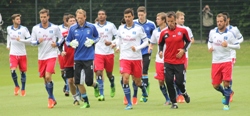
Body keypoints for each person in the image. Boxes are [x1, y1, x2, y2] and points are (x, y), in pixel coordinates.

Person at [112, 8, 148, 110]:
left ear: (133, 17)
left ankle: (143, 88)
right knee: (125, 79)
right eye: (126, 17)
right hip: (124, 58)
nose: (127, 19)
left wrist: (137, 48)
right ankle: (129, 103)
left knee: (137, 81)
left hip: (136, 58)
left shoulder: (138, 28)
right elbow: (119, 40)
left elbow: (146, 42)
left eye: (129, 17)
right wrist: (114, 44)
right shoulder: (121, 28)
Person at [65, 9, 100, 108]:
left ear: (85, 17)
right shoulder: (72, 28)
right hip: (77, 58)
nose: (79, 20)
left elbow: (98, 37)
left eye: (81, 18)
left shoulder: (91, 27)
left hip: (88, 57)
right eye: (78, 18)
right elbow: (67, 41)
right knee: (78, 82)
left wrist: (93, 41)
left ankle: (96, 86)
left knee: (89, 82)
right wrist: (71, 44)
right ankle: (86, 102)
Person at [30, 8, 64, 109]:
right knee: (45, 79)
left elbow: (62, 38)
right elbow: (31, 42)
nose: (43, 19)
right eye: (41, 17)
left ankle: (50, 99)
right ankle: (53, 98)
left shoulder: (55, 27)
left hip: (52, 55)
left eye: (45, 17)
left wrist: (57, 44)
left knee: (48, 76)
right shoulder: (35, 28)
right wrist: (37, 42)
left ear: (48, 17)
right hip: (41, 57)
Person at [158, 11, 191, 109]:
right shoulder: (164, 32)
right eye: (168, 21)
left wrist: (183, 50)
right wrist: (160, 51)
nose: (170, 23)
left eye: (172, 21)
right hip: (168, 61)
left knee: (179, 82)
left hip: (179, 61)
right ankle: (174, 102)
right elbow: (160, 43)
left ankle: (184, 93)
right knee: (168, 82)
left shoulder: (183, 31)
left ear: (175, 20)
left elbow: (188, 41)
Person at [207, 13, 240, 110]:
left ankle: (226, 104)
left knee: (226, 82)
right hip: (215, 62)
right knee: (215, 85)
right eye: (217, 21)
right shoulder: (212, 32)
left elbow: (238, 46)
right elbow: (210, 41)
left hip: (226, 61)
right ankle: (225, 93)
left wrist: (228, 45)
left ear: (226, 22)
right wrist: (210, 47)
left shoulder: (230, 34)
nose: (219, 23)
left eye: (221, 21)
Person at [132, 6, 156, 104]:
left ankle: (144, 95)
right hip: (136, 52)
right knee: (135, 74)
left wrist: (151, 45)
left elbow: (154, 36)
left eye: (142, 15)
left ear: (145, 14)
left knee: (144, 71)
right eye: (139, 15)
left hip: (146, 51)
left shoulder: (151, 24)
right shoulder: (134, 23)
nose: (140, 17)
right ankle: (134, 95)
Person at [93, 10, 117, 101]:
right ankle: (101, 94)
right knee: (99, 72)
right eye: (99, 14)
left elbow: (118, 37)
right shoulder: (94, 26)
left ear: (106, 16)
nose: (101, 16)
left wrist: (112, 43)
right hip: (98, 53)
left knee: (109, 74)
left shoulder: (111, 25)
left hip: (109, 53)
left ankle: (112, 84)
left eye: (103, 14)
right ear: (98, 16)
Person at [148, 12, 171, 105]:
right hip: (159, 60)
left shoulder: (169, 30)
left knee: (170, 80)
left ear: (164, 20)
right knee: (161, 81)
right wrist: (150, 48)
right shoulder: (155, 31)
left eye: (158, 19)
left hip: (170, 59)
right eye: (156, 18)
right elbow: (152, 42)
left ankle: (175, 95)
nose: (156, 20)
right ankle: (167, 99)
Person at [6, 14, 31, 96]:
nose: (19, 20)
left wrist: (21, 40)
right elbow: (8, 36)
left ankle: (23, 89)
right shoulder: (9, 28)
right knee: (13, 70)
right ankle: (16, 86)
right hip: (13, 53)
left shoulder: (24, 29)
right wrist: (8, 45)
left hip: (22, 54)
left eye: (19, 19)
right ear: (13, 20)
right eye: (17, 19)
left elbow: (30, 39)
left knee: (23, 72)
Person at [221, 12, 243, 102]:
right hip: (221, 56)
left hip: (231, 55)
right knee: (223, 77)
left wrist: (233, 43)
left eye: (223, 20)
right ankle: (228, 92)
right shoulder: (218, 31)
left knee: (228, 75)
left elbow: (241, 38)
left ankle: (229, 94)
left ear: (228, 20)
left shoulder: (234, 29)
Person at [59, 14, 81, 105]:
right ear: (66, 23)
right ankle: (75, 98)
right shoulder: (64, 34)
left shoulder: (80, 32)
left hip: (78, 59)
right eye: (70, 21)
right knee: (70, 81)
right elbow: (59, 44)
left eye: (73, 21)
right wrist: (61, 52)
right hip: (68, 60)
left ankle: (81, 96)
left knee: (77, 80)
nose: (72, 22)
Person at [175, 10, 194, 103]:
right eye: (181, 18)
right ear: (176, 19)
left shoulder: (186, 29)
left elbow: (191, 40)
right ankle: (176, 94)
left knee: (182, 75)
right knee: (173, 76)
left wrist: (184, 49)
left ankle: (181, 95)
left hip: (184, 56)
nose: (183, 20)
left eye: (183, 18)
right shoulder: (171, 28)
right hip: (173, 56)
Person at [58, 13, 70, 96]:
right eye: (65, 19)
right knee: (63, 72)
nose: (67, 21)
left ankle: (68, 87)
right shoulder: (59, 28)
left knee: (69, 71)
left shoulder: (73, 28)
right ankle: (66, 83)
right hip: (61, 53)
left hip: (70, 53)